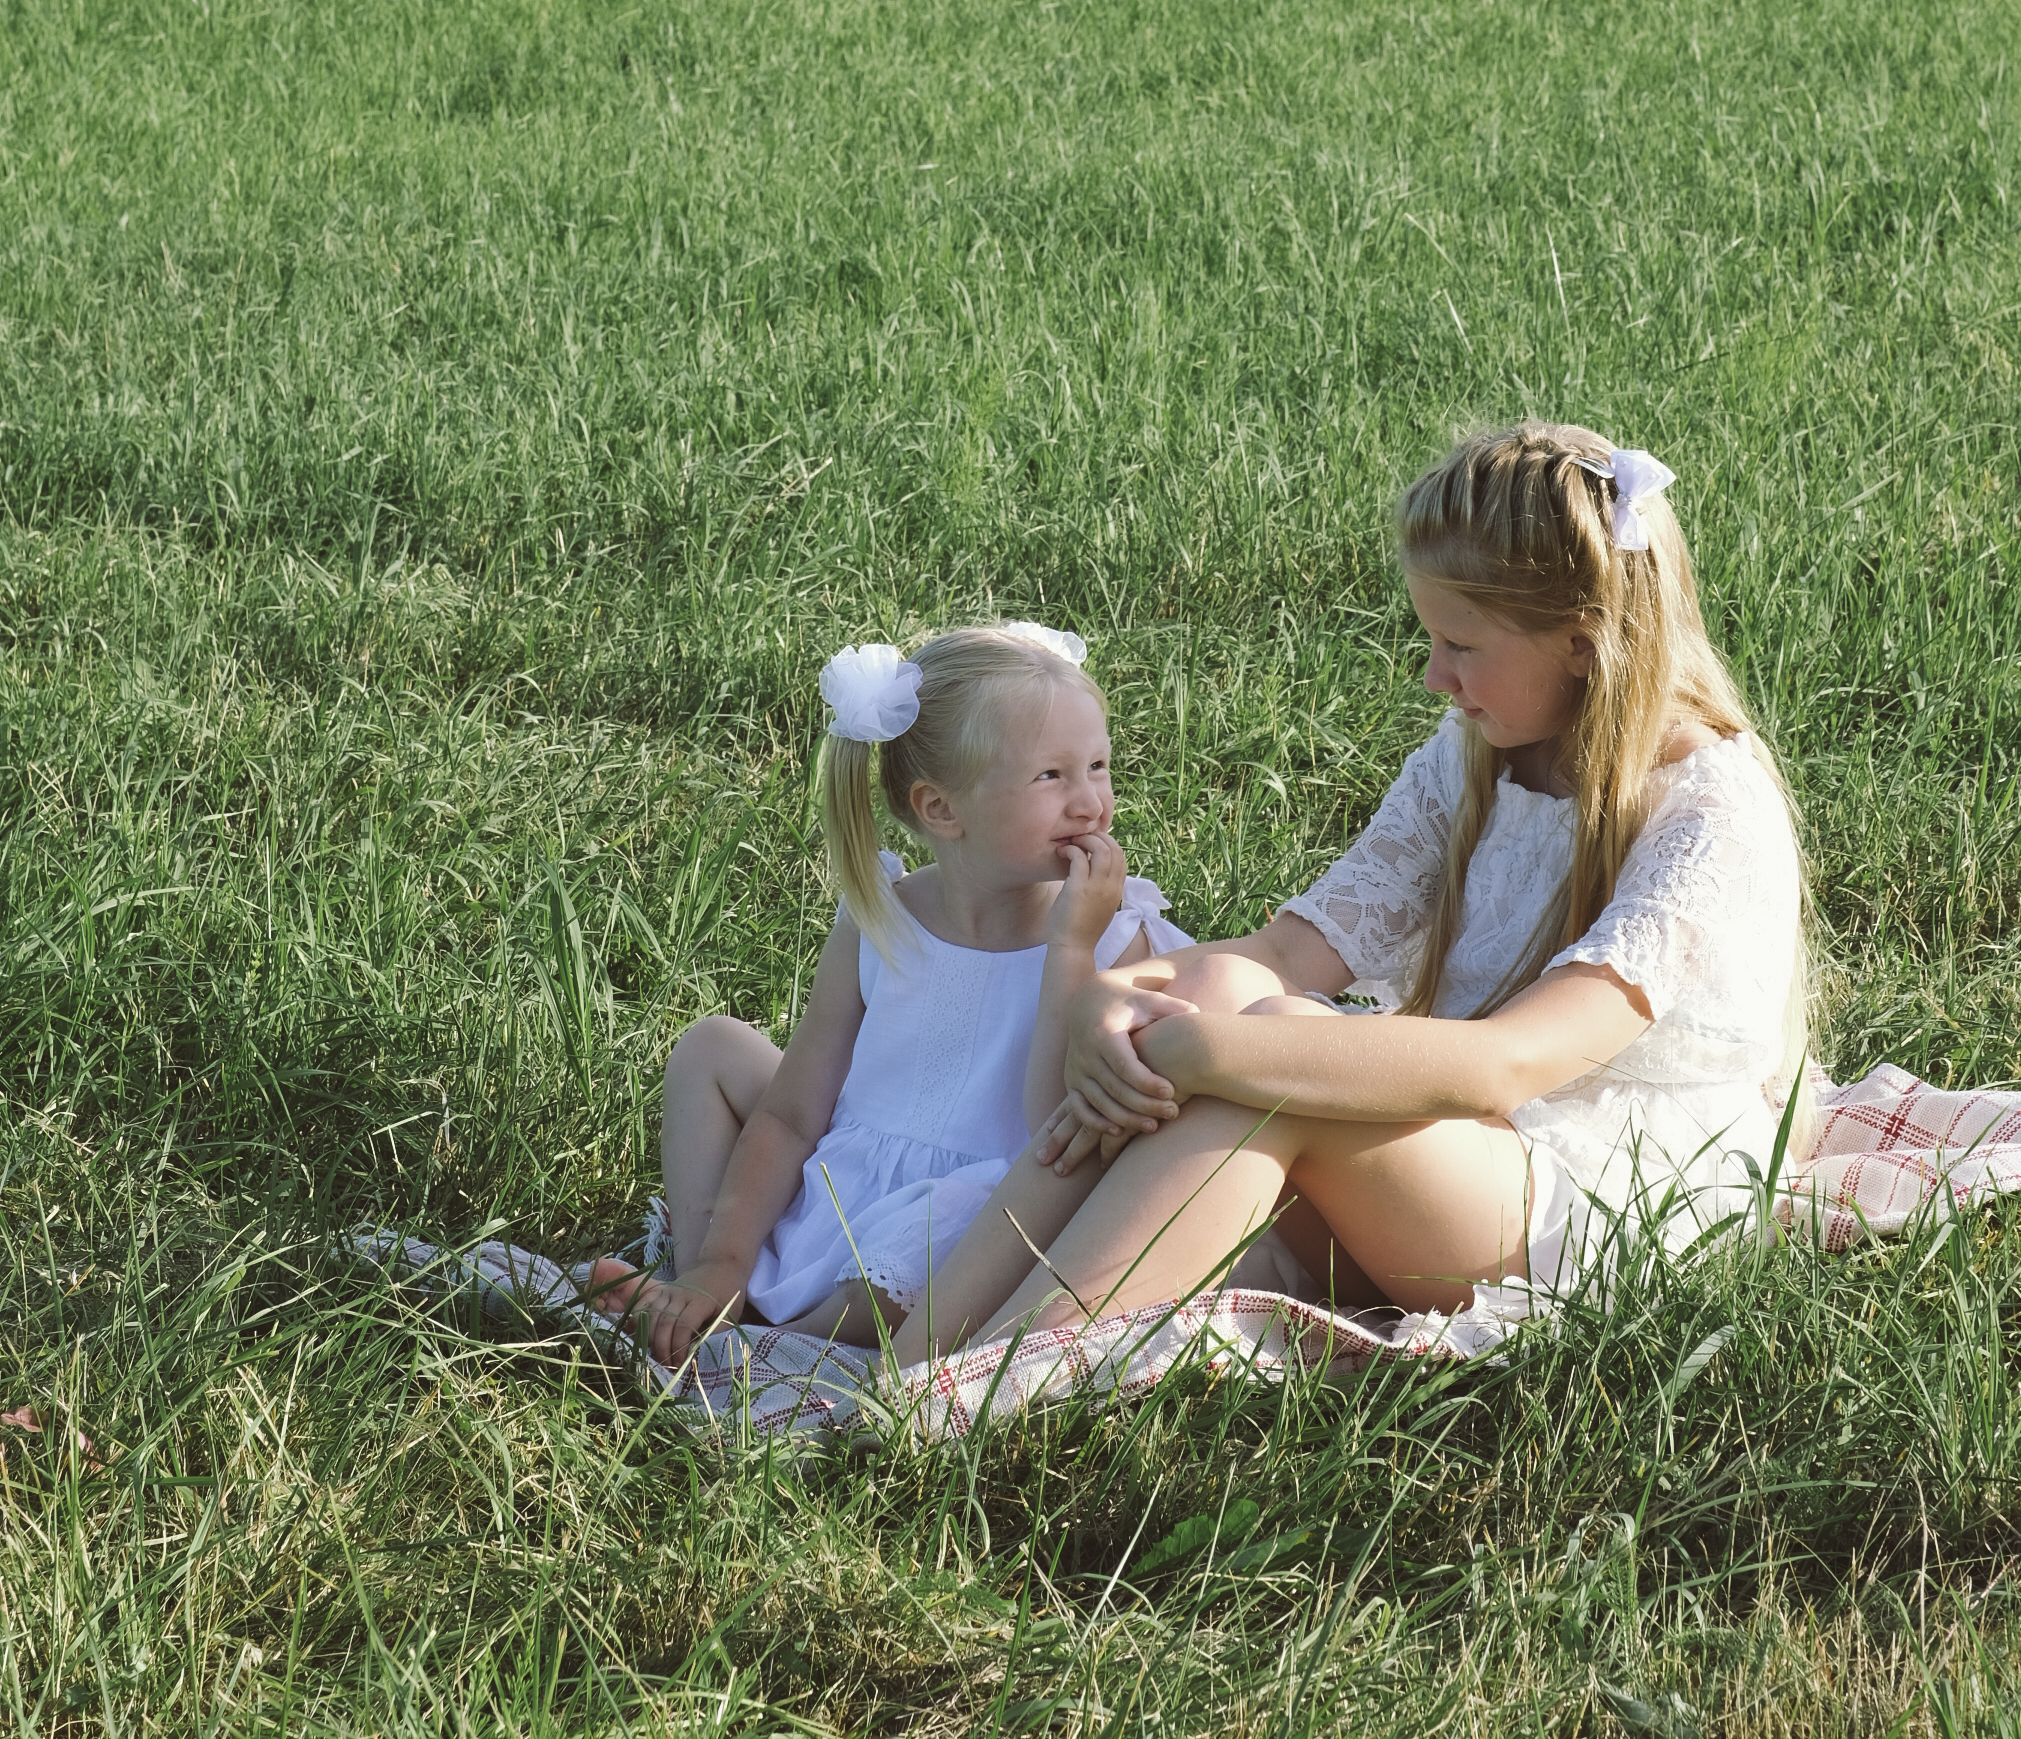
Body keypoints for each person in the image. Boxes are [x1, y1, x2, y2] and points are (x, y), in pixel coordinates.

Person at [885, 423, 1809, 1360]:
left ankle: (985, 1380)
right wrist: (1121, 997)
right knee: (1219, 999)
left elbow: (1508, 1065)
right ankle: (924, 1347)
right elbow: (1287, 953)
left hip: (1598, 1204)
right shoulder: (1479, 756)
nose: (1433, 675)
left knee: (1259, 1064)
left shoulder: (1708, 812)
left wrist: (1215, 1052)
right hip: (1471, 1155)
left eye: (1460, 644)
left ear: (1580, 643)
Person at [583, 621, 1190, 1367]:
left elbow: (1052, 1132)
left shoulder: (1107, 937)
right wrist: (729, 1254)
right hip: (849, 1177)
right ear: (941, 809)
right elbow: (792, 1111)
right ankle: (710, 1278)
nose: (1091, 803)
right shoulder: (883, 915)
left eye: (1098, 767)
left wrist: (1069, 947)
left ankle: (774, 1351)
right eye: (1051, 777)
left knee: (953, 1213)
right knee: (710, 1046)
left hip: (993, 1213)